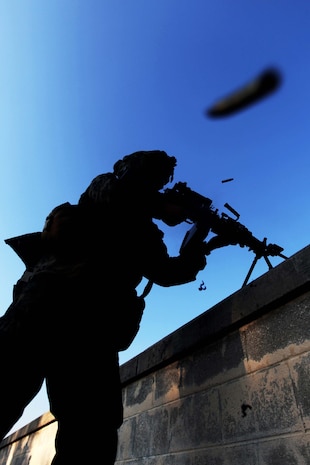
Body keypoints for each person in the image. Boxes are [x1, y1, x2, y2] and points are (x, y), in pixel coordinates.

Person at [0, 150, 207, 464]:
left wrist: (199, 245)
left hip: (92, 330)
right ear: (127, 167)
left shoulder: (144, 230)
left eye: (161, 179)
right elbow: (119, 195)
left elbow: (165, 272)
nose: (156, 183)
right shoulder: (105, 189)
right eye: (152, 175)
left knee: (91, 435)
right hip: (44, 308)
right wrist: (162, 207)